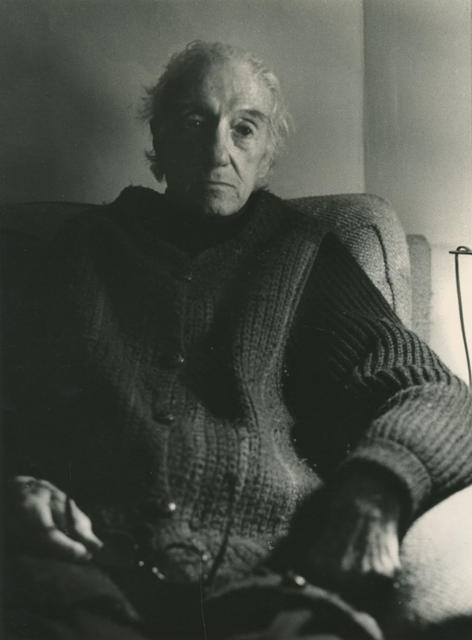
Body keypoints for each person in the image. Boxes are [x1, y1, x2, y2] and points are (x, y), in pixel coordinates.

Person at [4, 40, 472, 640]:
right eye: (194, 121)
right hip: (84, 571)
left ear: (267, 152)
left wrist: (378, 484)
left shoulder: (304, 256)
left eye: (244, 129)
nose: (217, 150)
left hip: (264, 582)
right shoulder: (83, 250)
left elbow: (432, 391)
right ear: (159, 139)